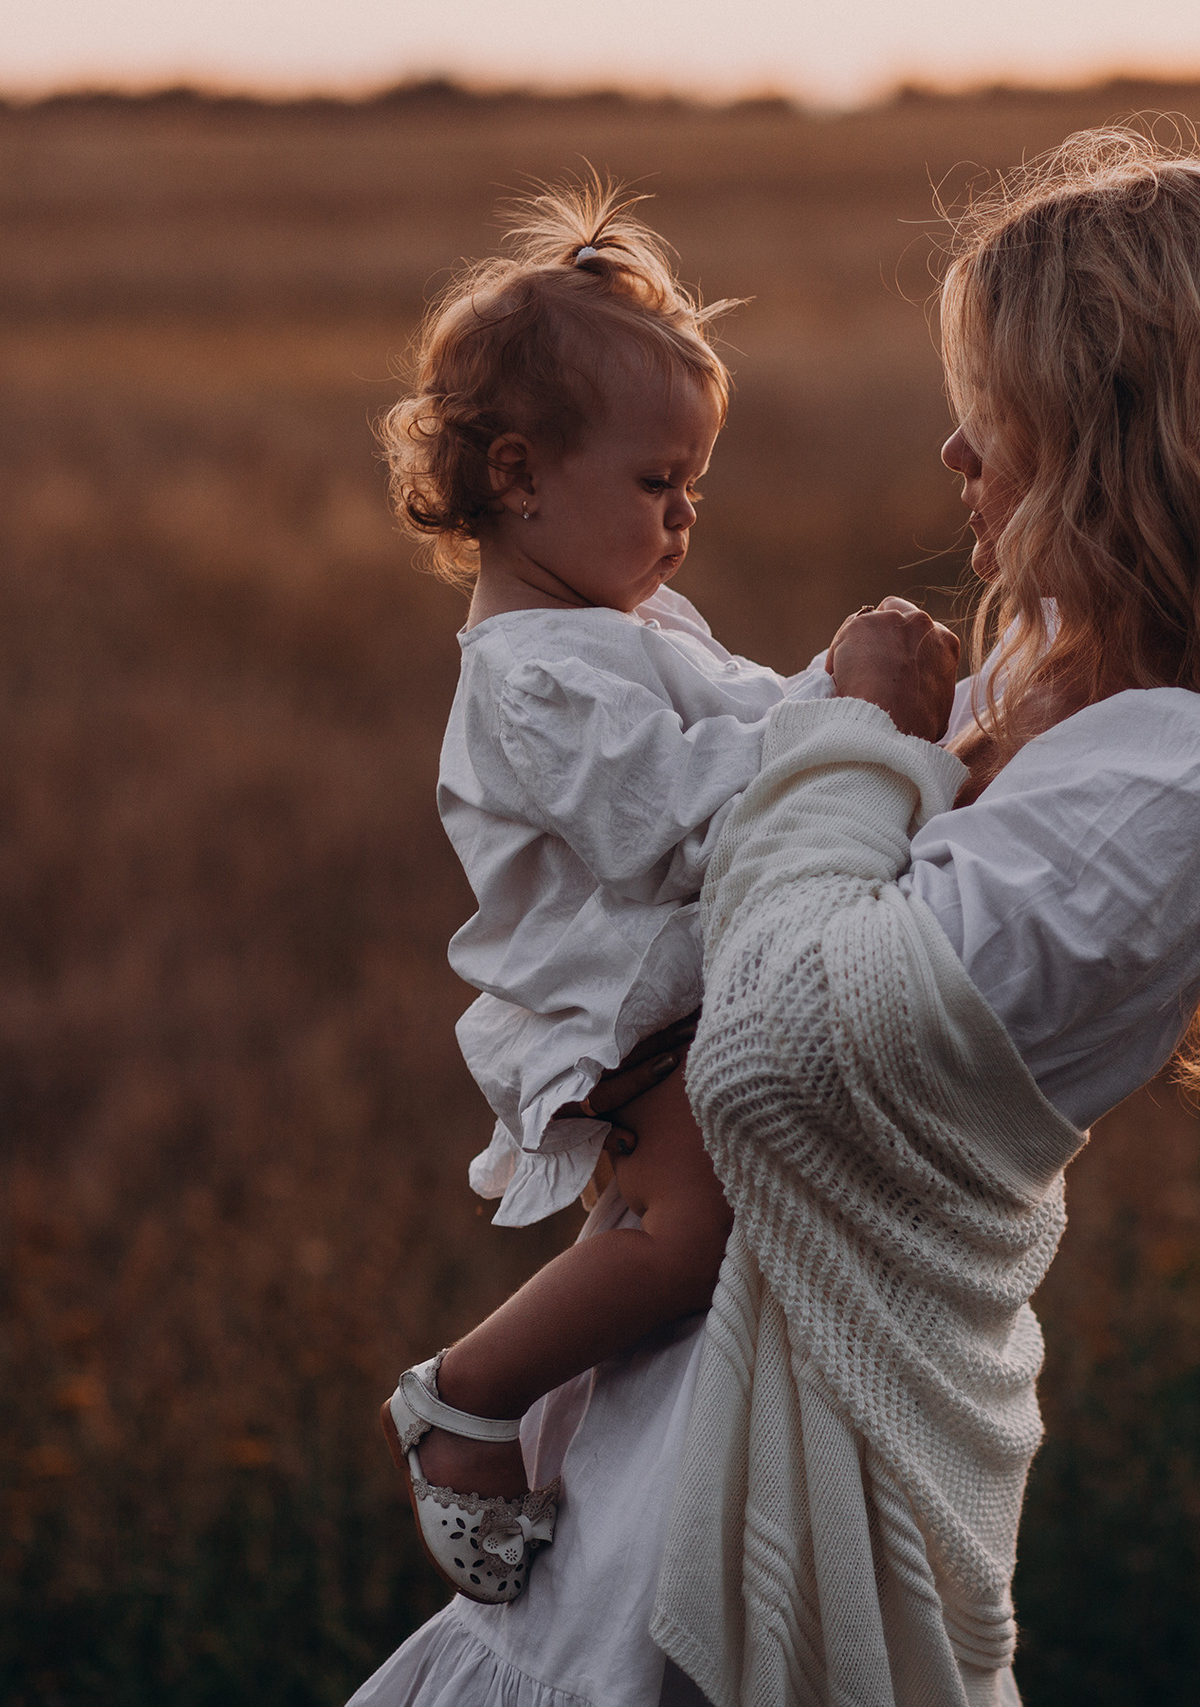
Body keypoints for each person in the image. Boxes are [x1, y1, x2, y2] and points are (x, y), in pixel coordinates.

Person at [351, 125, 1200, 1707]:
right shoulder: (1038, 676)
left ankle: (466, 1398)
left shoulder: (1164, 776)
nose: (954, 454)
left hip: (774, 1496)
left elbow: (771, 1049)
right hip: (654, 1462)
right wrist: (859, 733)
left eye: (998, 415)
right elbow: (789, 837)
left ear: (1116, 435)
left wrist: (851, 735)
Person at [372, 182, 869, 1605]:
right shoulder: (530, 676)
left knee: (690, 1251)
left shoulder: (629, 624)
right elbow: (667, 820)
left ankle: (591, 1460)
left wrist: (854, 700)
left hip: (691, 1005)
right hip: (630, 1021)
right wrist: (848, 714)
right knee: (684, 1240)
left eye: (694, 487)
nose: (684, 518)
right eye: (658, 485)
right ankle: (465, 1400)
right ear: (520, 475)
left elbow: (748, 720)